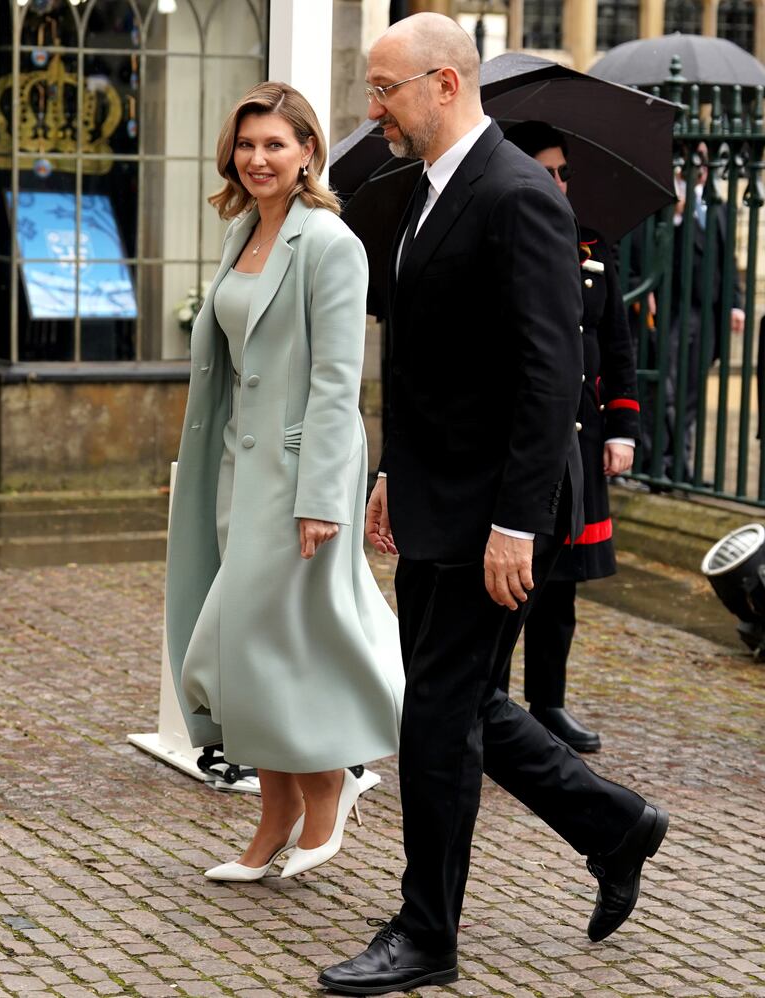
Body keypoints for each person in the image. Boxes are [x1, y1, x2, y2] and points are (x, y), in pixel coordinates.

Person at [319, 15, 668, 996]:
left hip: (497, 515)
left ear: (442, 82)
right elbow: (425, 361)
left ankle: (426, 932)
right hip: (434, 497)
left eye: (384, 88)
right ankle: (615, 824)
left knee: (435, 718)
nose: (373, 109)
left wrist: (516, 524)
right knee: (462, 701)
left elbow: (549, 376)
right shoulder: (425, 192)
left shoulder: (518, 195)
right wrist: (394, 470)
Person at [165, 82, 404, 885]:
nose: (257, 158)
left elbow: (338, 382)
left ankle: (329, 782)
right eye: (246, 143)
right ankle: (274, 820)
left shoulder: (331, 243)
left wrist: (320, 498)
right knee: (251, 648)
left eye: (275, 144)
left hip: (302, 476)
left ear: (308, 152)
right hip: (240, 468)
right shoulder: (243, 229)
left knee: (263, 643)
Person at [502, 121, 641, 753]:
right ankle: (493, 705)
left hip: (582, 437)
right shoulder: (506, 235)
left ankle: (548, 703)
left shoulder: (591, 242)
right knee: (511, 583)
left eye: (564, 172)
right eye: (546, 171)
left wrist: (623, 428)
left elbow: (618, 344)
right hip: (525, 436)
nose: (558, 182)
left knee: (560, 587)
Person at [667, 141, 745, 482]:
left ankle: (684, 465)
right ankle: (666, 462)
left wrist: (735, 304)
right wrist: (676, 216)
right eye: (694, 156)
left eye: (704, 157)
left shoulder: (719, 206)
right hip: (675, 311)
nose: (700, 164)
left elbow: (729, 261)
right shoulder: (668, 203)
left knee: (693, 392)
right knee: (669, 388)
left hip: (709, 313)